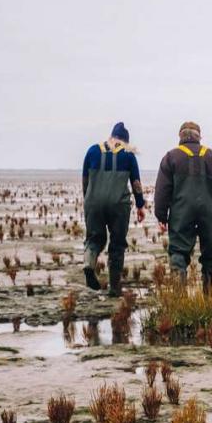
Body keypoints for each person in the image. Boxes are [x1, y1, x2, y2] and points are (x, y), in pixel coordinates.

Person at [154, 121, 212, 293]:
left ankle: (179, 296)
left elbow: (162, 189)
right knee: (210, 253)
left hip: (182, 212)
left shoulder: (171, 157)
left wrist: (161, 216)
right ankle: (209, 295)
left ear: (180, 136)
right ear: (199, 136)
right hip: (211, 213)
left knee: (178, 252)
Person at [81, 122, 145, 297]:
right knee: (117, 244)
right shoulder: (129, 156)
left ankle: (88, 264)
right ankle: (114, 288)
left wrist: (88, 199)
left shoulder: (92, 151)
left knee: (94, 239)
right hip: (118, 206)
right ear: (125, 141)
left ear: (111, 137)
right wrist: (140, 205)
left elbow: (85, 179)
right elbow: (136, 183)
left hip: (93, 203)